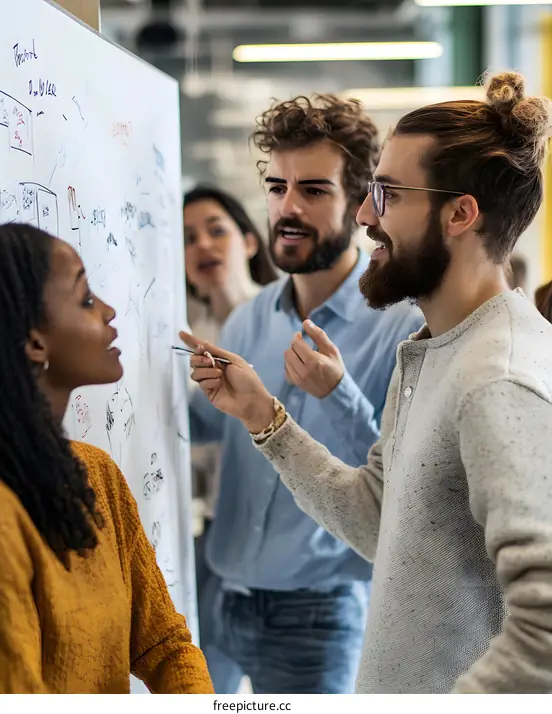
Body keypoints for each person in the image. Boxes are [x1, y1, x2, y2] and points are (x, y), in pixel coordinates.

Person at [181, 71, 552, 694]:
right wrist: (266, 422)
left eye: (386, 194)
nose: (363, 215)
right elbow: (381, 518)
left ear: (460, 214)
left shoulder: (497, 378)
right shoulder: (431, 350)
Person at [187, 95, 423, 694]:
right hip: (215, 597)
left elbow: (402, 482)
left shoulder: (401, 328)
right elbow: (216, 432)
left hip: (315, 619)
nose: (287, 208)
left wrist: (338, 393)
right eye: (276, 186)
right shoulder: (246, 323)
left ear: (362, 202)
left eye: (314, 190)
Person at [0, 223, 214, 694]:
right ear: (34, 341)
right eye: (86, 299)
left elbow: (166, 644)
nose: (110, 311)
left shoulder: (95, 473)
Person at [183, 185, 277, 570]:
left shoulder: (286, 320)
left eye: (216, 230)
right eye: (188, 239)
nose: (203, 244)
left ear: (250, 242)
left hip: (281, 546)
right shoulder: (181, 338)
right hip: (214, 539)